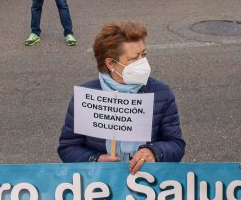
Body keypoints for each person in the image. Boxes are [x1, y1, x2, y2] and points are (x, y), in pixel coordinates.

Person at [57, 21, 185, 165]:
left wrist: (154, 152)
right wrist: (95, 160)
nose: (143, 62)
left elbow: (176, 145)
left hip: (146, 177)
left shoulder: (161, 93)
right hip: (101, 178)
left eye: (143, 54)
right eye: (134, 58)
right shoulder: (86, 97)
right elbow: (68, 148)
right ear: (111, 64)